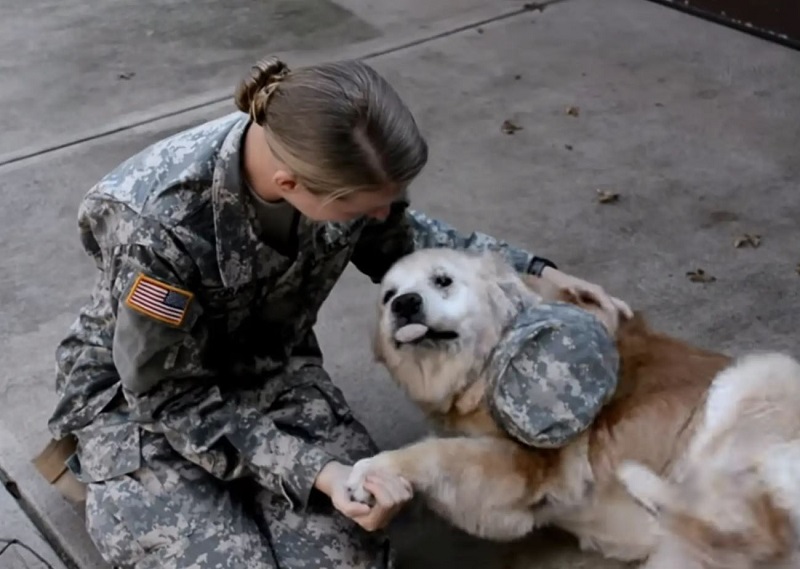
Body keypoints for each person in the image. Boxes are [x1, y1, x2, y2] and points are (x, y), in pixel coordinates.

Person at [47, 55, 631, 569]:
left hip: (270, 374)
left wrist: (538, 273)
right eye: (365, 207)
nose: (381, 216)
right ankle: (109, 480)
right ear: (290, 184)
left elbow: (406, 240)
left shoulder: (334, 161)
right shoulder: (158, 227)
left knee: (347, 554)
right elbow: (168, 394)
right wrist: (316, 472)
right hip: (144, 404)